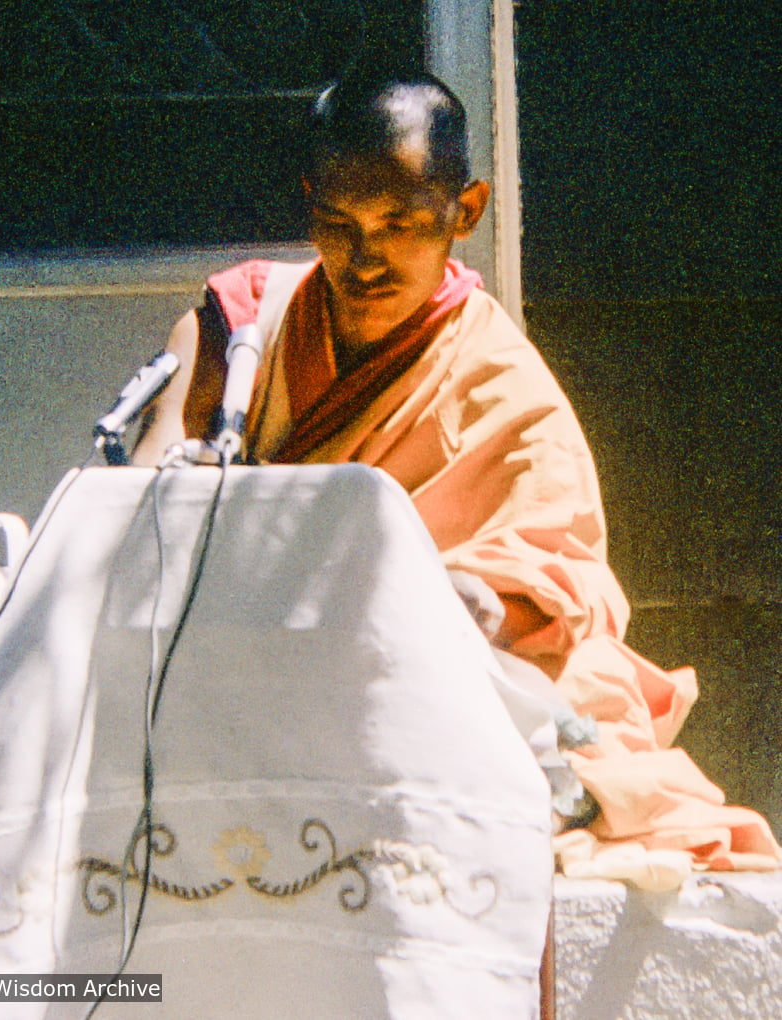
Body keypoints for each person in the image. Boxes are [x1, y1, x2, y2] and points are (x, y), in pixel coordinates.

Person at [132, 70, 781, 886]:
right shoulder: (240, 327)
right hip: (237, 675)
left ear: (463, 214)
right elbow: (135, 509)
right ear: (309, 203)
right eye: (338, 222)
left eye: (400, 224)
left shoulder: (500, 380)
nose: (365, 258)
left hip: (404, 685)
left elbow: (563, 581)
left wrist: (466, 600)